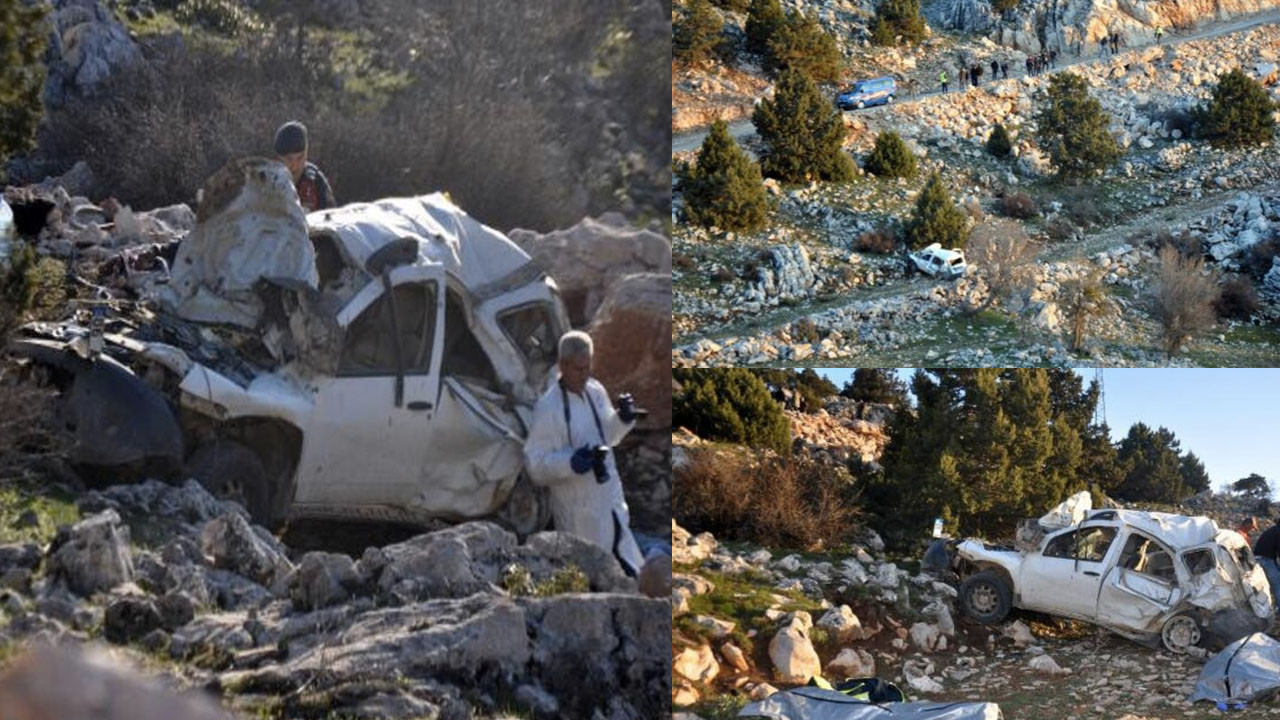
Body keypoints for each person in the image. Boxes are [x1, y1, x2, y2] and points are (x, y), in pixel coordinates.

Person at [523, 331, 646, 577]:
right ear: (563, 366)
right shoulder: (549, 408)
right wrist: (570, 463)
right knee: (592, 580)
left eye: (588, 367)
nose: (585, 375)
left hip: (610, 502)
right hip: (579, 516)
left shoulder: (595, 391)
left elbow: (608, 437)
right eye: (579, 369)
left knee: (631, 571)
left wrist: (623, 419)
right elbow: (534, 466)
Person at [274, 120, 335, 212]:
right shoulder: (265, 182)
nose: (295, 165)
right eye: (289, 159)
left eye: (300, 158)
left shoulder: (315, 180)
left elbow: (330, 216)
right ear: (279, 158)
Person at [1253, 519, 1280, 604]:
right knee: (1277, 582)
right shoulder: (1278, 532)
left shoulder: (1273, 530)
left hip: (1260, 558)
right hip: (1265, 560)